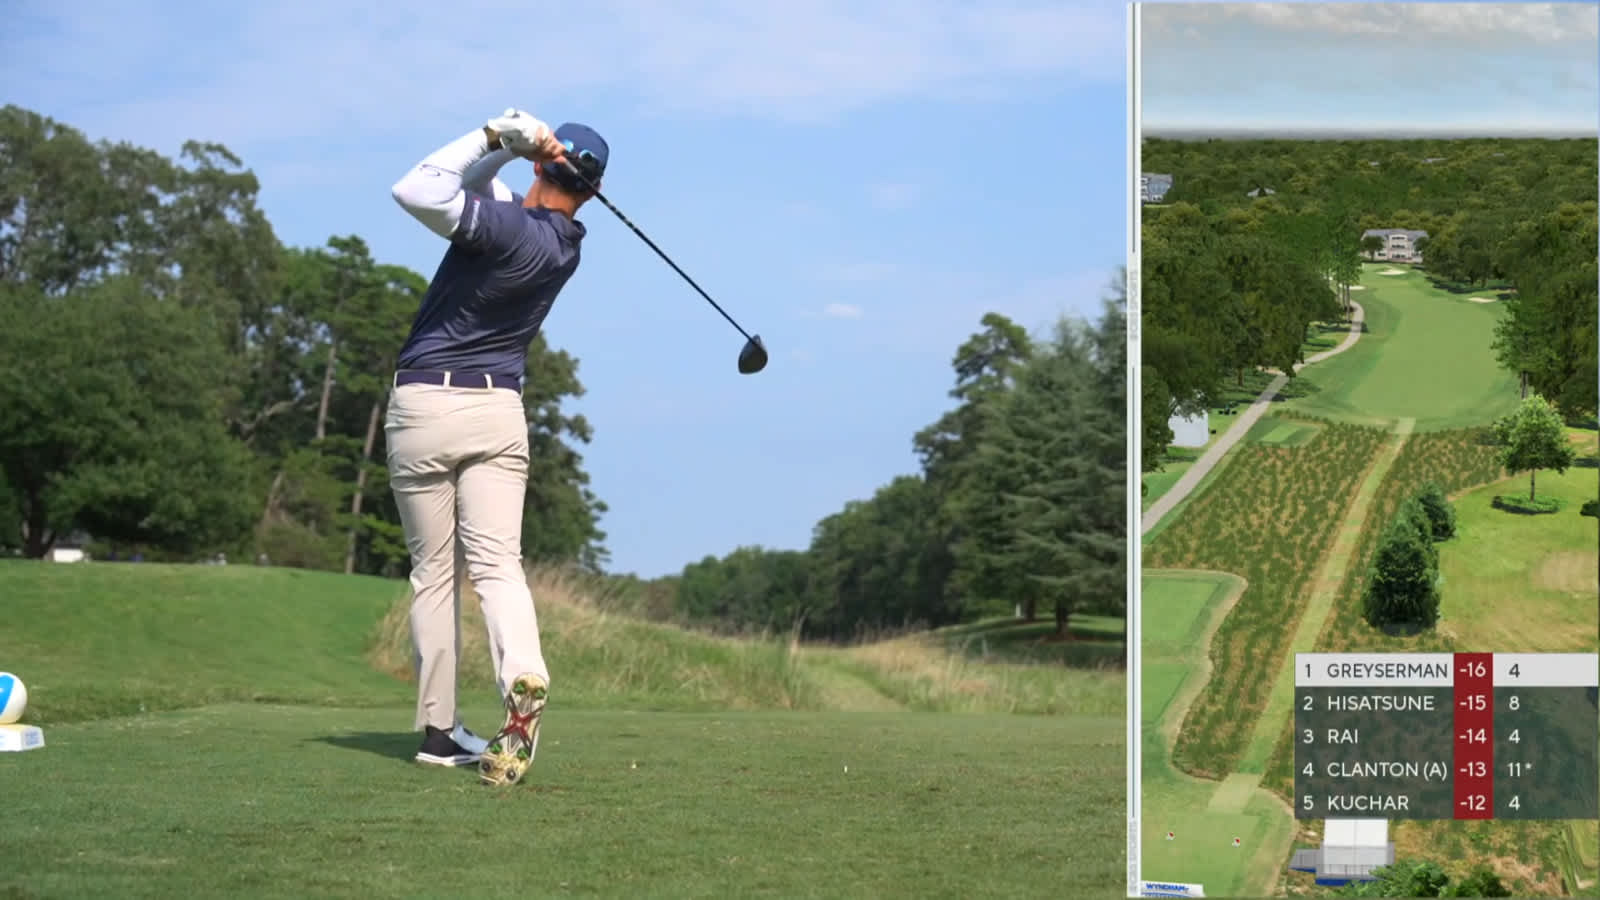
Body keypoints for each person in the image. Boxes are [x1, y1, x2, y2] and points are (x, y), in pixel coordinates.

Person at [386, 108, 609, 786]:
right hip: (496, 412)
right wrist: (513, 154)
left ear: (544, 168)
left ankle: (437, 729)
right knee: (498, 567)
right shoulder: (565, 240)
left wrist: (491, 136)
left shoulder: (509, 226)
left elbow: (418, 188)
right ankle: (523, 674)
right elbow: (481, 191)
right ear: (592, 193)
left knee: (434, 573)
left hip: (424, 405)